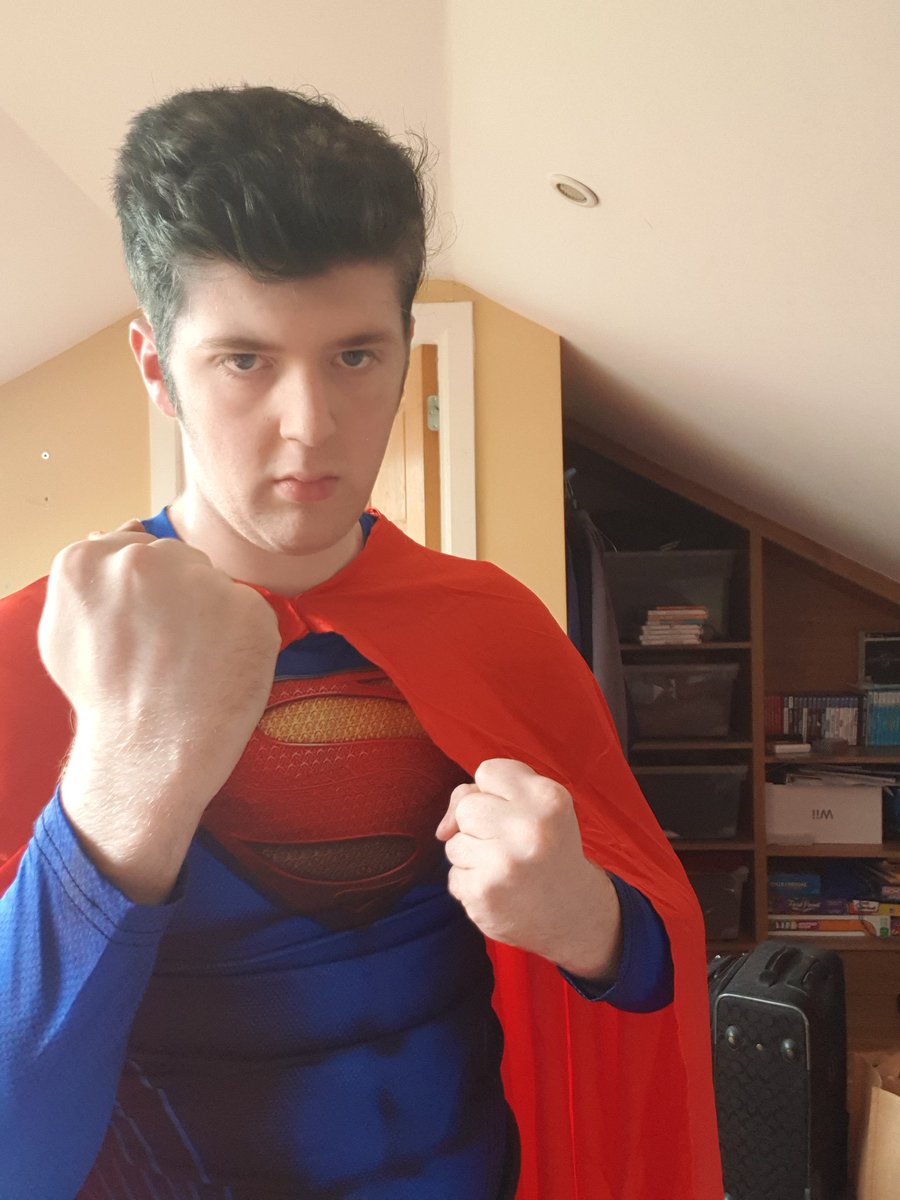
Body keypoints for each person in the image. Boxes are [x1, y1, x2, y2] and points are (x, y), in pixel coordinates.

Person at [0, 86, 721, 1199]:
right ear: (156, 367)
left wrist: (590, 920)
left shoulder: (490, 624)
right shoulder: (32, 654)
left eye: (354, 356)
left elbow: (656, 973)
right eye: (244, 359)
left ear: (405, 354)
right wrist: (119, 778)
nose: (311, 426)